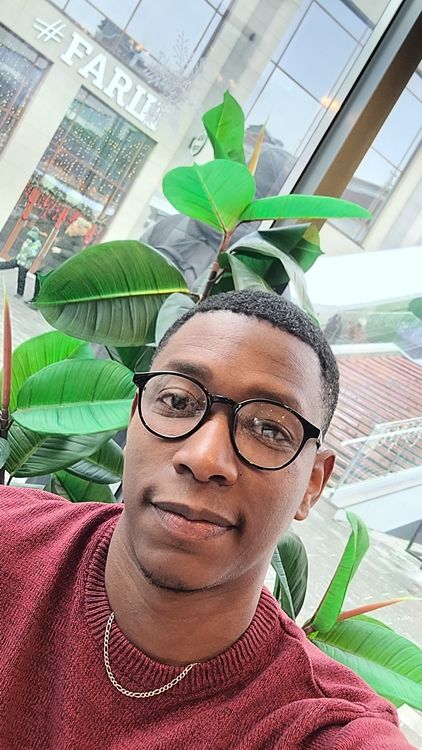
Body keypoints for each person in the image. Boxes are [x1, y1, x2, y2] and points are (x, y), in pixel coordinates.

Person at [0, 290, 415, 749]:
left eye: (269, 429)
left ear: (312, 485)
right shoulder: (10, 537)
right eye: (178, 401)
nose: (204, 458)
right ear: (134, 418)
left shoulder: (318, 728)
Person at [29, 215, 92, 304]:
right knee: (39, 278)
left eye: (75, 223)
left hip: (58, 265)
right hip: (51, 261)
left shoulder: (79, 240)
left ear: (79, 228)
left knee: (44, 281)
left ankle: (39, 302)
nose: (72, 224)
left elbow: (74, 255)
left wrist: (60, 251)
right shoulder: (69, 234)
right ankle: (35, 299)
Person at [0, 226, 42, 298]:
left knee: (21, 278)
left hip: (25, 264)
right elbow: (22, 251)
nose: (28, 238)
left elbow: (32, 255)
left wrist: (28, 245)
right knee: (6, 264)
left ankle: (20, 293)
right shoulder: (28, 241)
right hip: (19, 259)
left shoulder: (37, 244)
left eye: (30, 237)